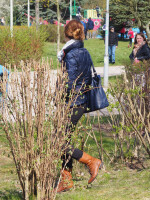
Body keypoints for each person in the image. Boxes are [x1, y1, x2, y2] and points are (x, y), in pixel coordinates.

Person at [56, 20, 102, 192]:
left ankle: (91, 161)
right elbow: (88, 79)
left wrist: (62, 96)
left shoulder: (70, 53)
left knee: (58, 142)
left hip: (72, 102)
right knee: (63, 140)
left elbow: (70, 81)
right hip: (80, 101)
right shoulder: (84, 51)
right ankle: (66, 181)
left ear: (66, 33)